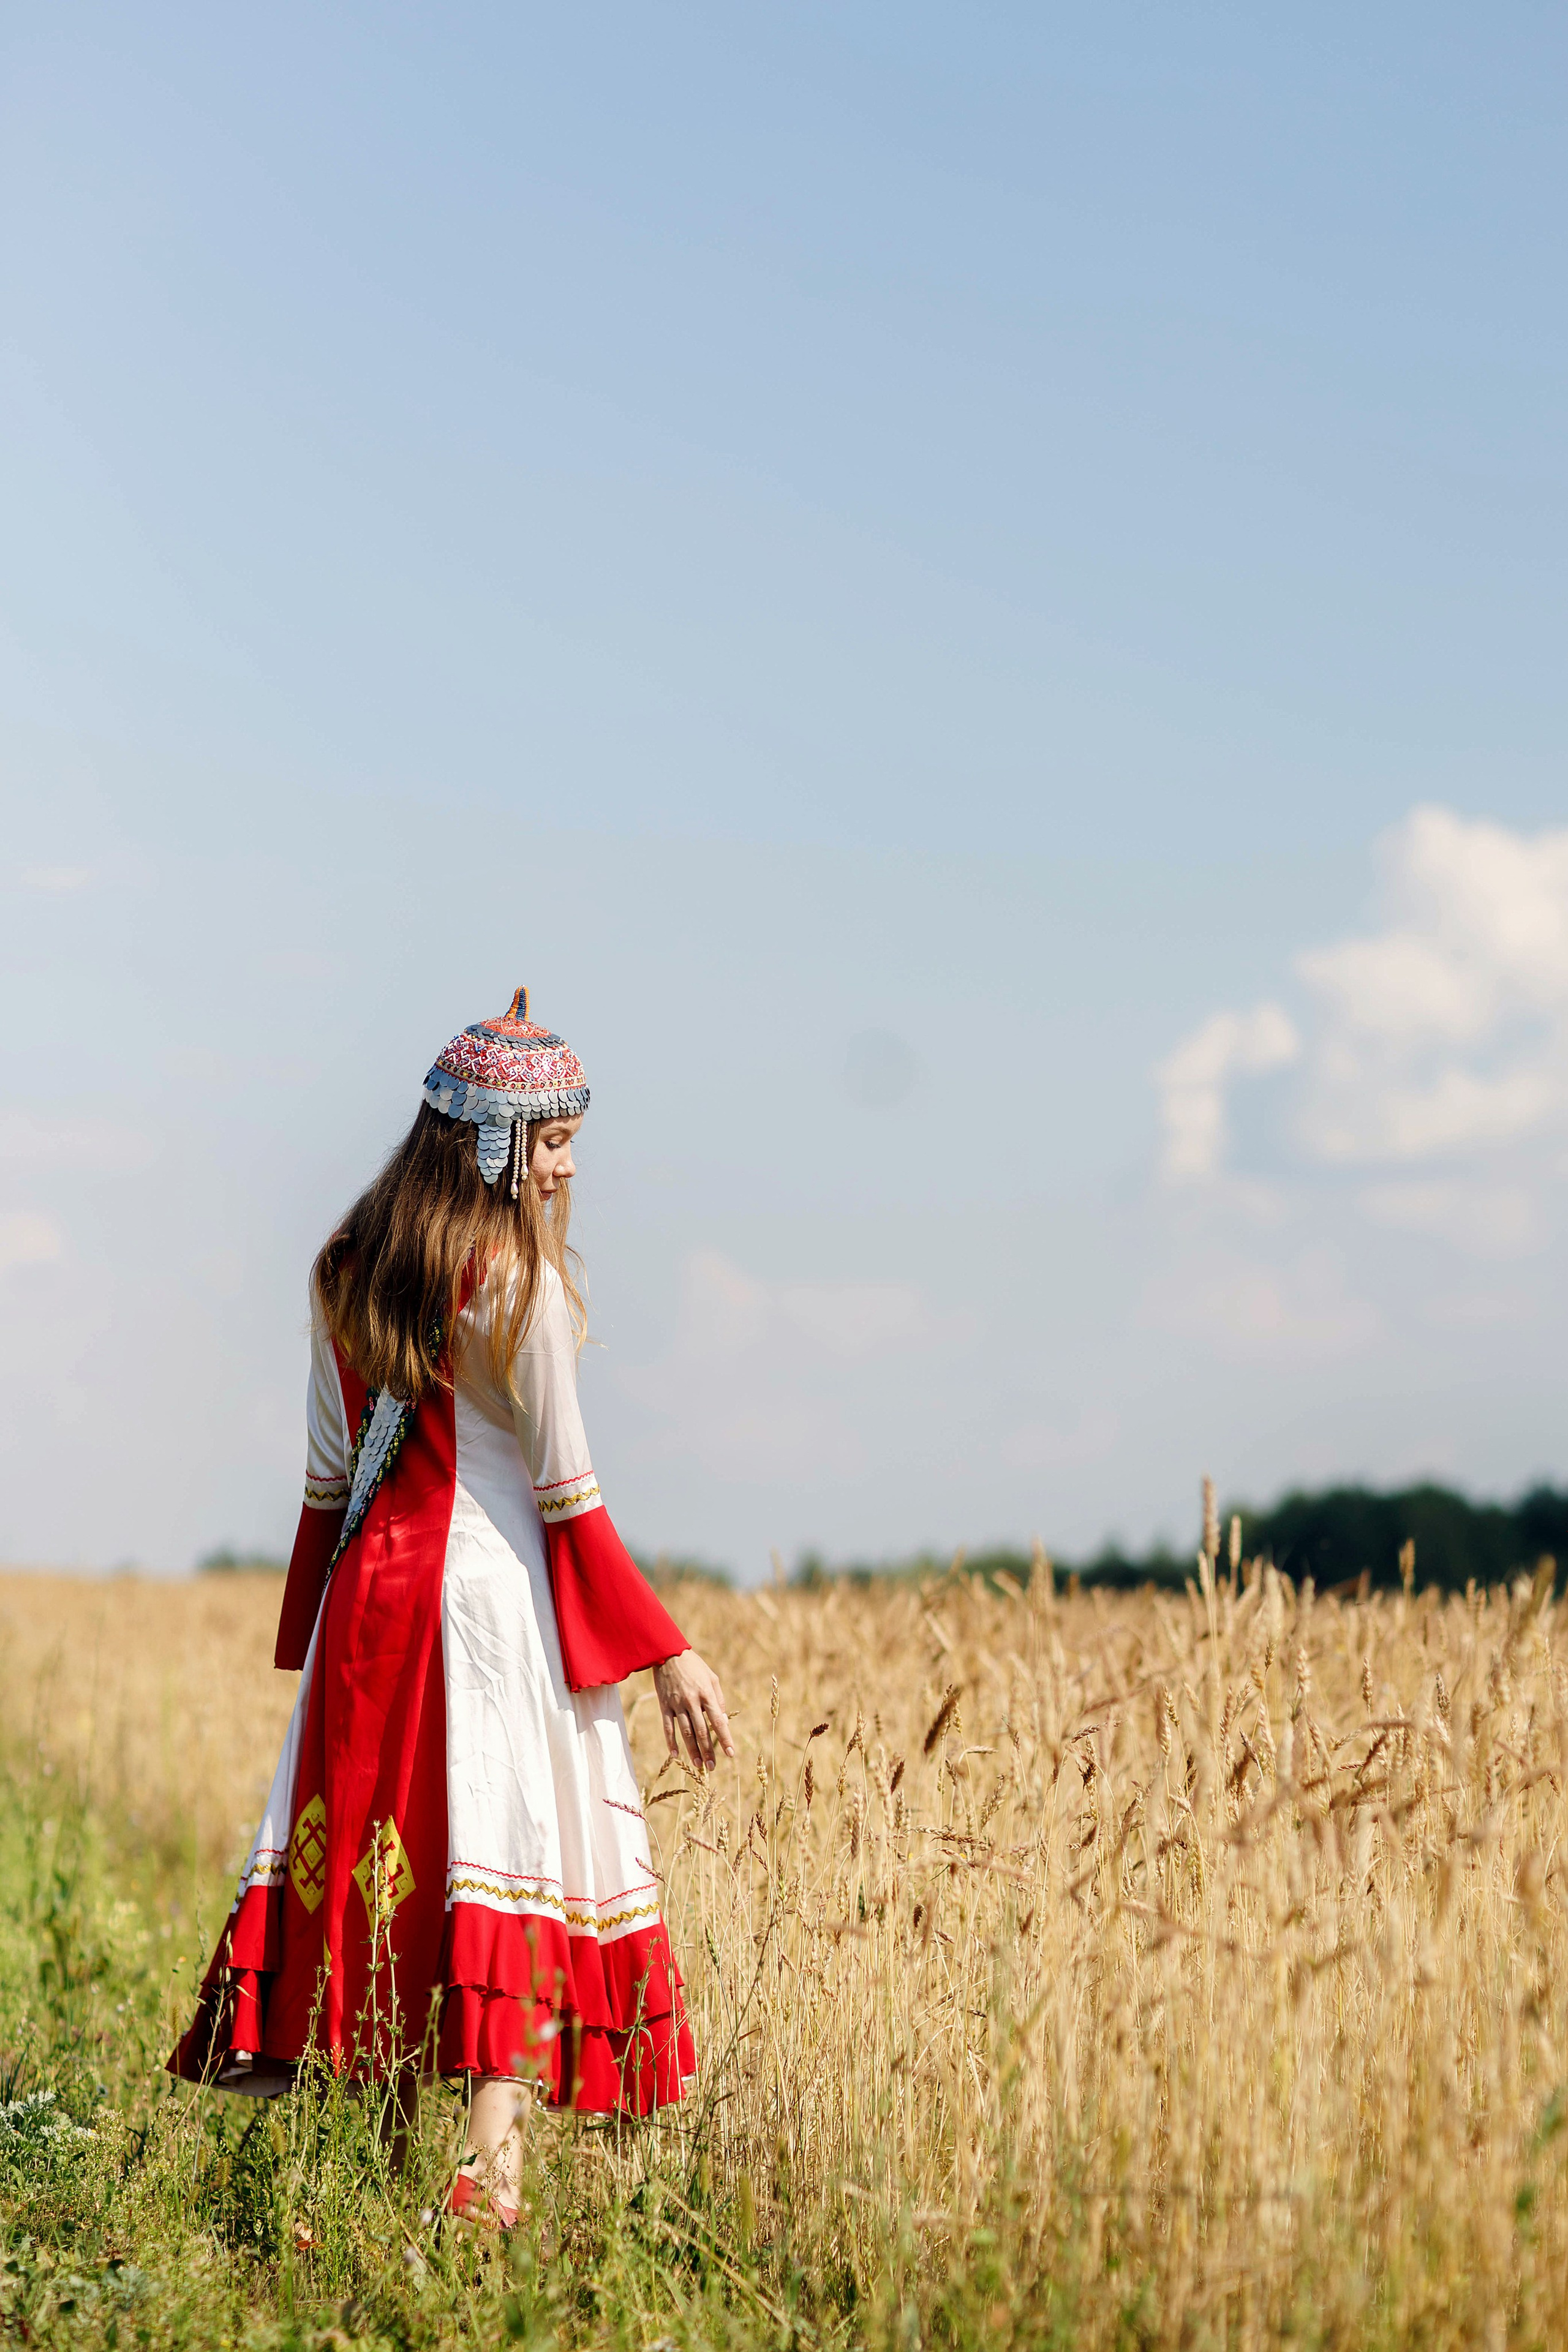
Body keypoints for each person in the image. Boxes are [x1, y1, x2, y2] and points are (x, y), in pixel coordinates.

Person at [169, 987, 733, 2225]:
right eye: (550, 1139)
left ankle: (370, 2185)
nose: (568, 1161)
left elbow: (327, 1483)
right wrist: (667, 1652)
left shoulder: (341, 1268)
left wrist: (317, 1642)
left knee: (388, 1863)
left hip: (366, 1607)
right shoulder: (516, 1280)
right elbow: (568, 1492)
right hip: (482, 1605)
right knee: (500, 1859)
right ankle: (489, 2174)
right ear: (484, 1139)